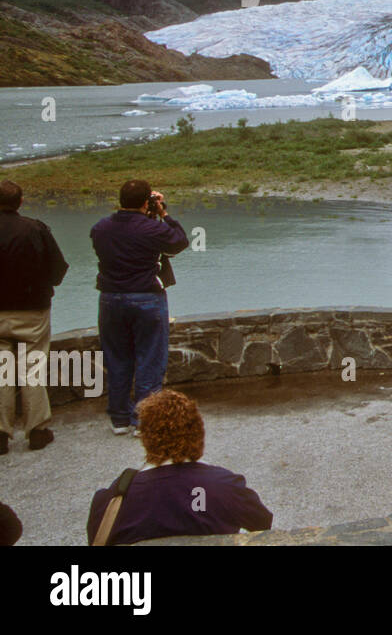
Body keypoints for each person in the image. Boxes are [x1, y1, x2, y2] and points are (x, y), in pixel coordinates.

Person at [86, 388, 272, 545]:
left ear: (146, 439)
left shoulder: (111, 500)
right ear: (198, 433)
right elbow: (264, 528)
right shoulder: (227, 486)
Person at [90, 180, 189, 435]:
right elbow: (179, 242)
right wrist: (163, 214)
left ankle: (120, 418)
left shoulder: (100, 228)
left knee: (117, 358)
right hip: (146, 297)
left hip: (111, 298)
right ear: (147, 202)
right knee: (150, 359)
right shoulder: (152, 229)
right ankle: (144, 419)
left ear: (121, 201)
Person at [0, 180, 68, 454]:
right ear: (21, 201)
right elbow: (58, 269)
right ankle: (37, 431)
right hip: (32, 310)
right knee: (32, 367)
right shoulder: (36, 228)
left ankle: (1, 436)